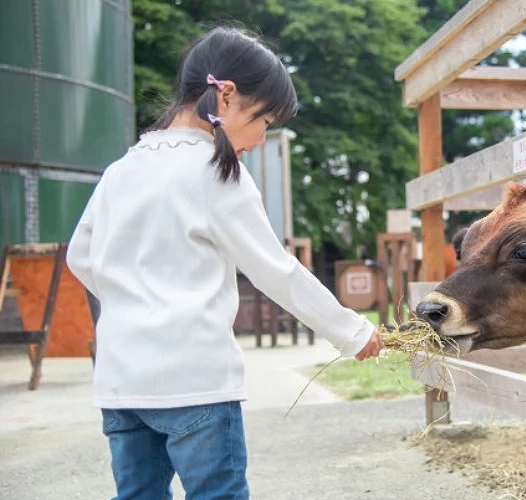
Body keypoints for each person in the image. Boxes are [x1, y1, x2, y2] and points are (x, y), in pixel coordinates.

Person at [66, 26, 383, 500]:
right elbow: (275, 270)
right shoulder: (215, 172)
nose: (260, 137)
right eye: (264, 120)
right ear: (227, 96)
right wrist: (352, 331)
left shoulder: (121, 170)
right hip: (195, 381)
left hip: (120, 382)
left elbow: (80, 257)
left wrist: (131, 296)